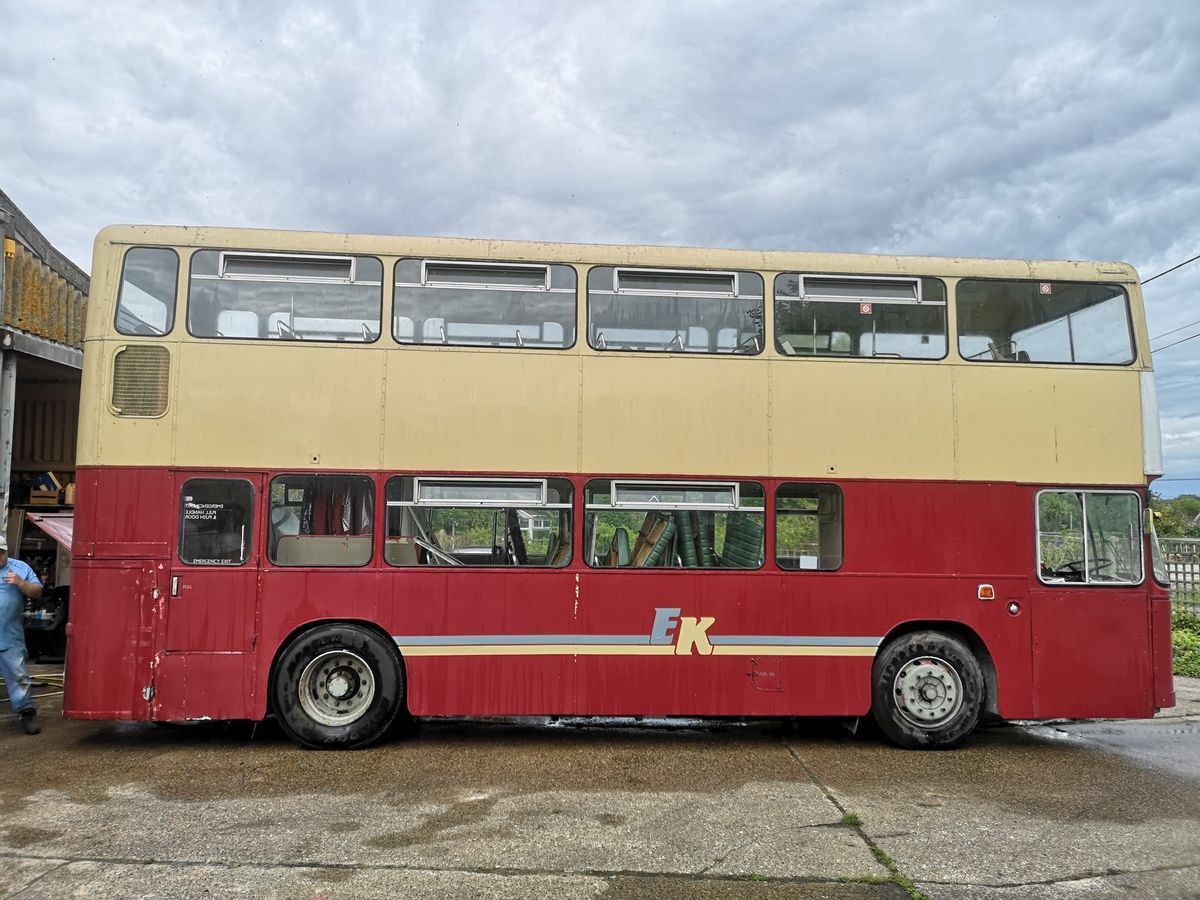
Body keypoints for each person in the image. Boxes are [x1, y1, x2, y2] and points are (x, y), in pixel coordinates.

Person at [0, 536, 42, 734]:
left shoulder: (19, 568)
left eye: (1, 553)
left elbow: (37, 591)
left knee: (18, 676)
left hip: (9, 636)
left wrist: (20, 583)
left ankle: (26, 713)